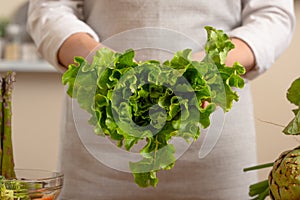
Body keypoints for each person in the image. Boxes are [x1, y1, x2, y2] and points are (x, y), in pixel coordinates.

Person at [26, 1, 295, 199]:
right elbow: (48, 8)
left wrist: (211, 67)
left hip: (216, 153)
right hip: (97, 156)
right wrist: (99, 63)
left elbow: (272, 14)